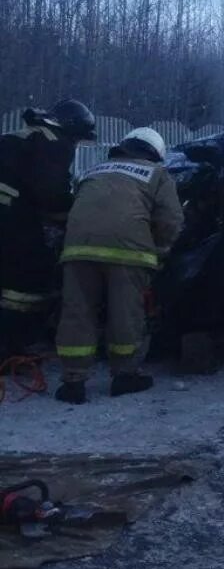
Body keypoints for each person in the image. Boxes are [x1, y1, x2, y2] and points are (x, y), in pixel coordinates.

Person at [54, 127, 183, 404]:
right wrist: (160, 251)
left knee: (77, 312)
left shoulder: (95, 169)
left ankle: (73, 382)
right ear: (155, 154)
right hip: (128, 253)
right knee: (125, 314)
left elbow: (80, 203)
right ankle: (125, 376)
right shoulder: (158, 174)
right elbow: (171, 220)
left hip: (77, 249)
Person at [0, 100, 96, 362]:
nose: (76, 145)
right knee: (25, 281)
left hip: (8, 210)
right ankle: (10, 348)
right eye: (77, 139)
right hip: (11, 216)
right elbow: (51, 193)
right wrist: (74, 215)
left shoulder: (24, 135)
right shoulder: (55, 144)